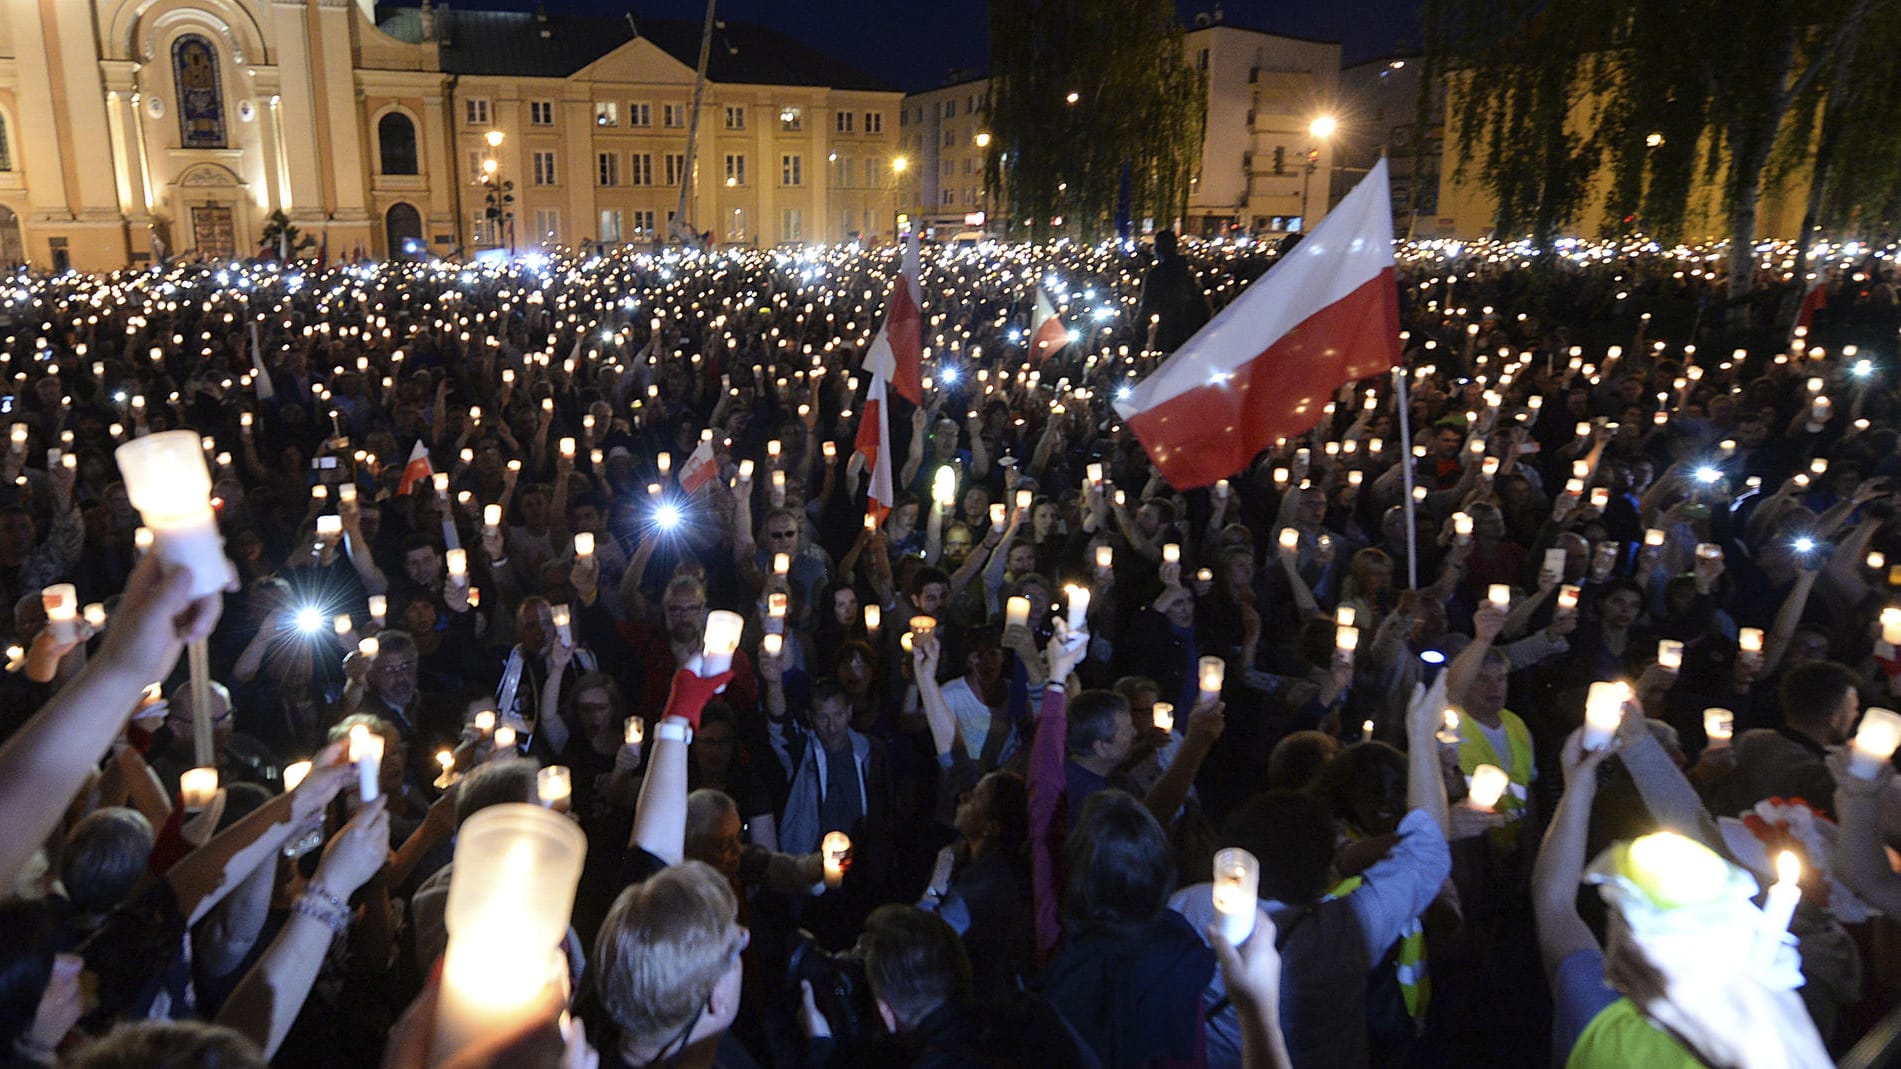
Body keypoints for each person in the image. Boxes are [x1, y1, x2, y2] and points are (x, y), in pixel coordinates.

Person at [1136, 230, 1212, 353]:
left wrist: (1139, 334)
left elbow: (1147, 305)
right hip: (1188, 333)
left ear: (1159, 248)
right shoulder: (1188, 272)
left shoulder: (1156, 275)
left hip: (1165, 334)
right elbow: (1200, 304)